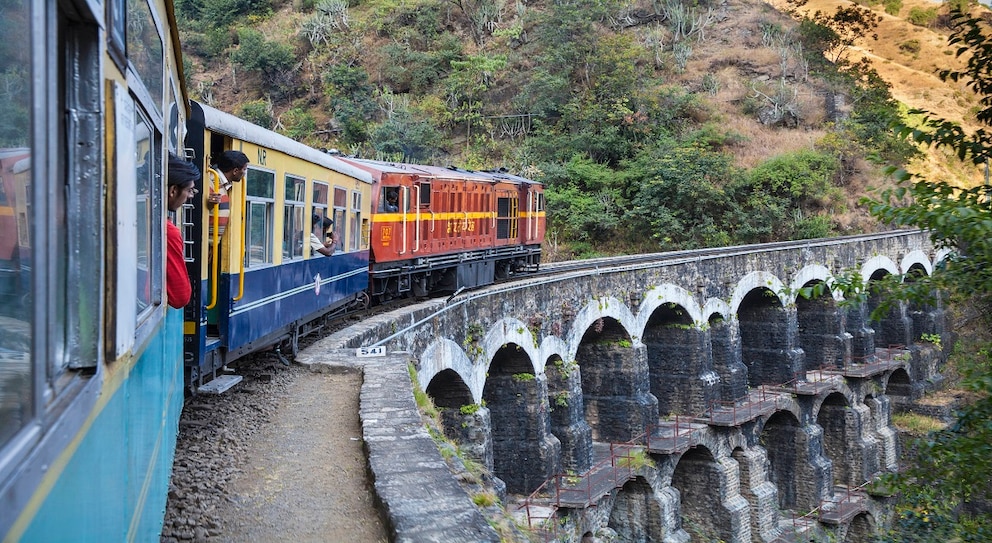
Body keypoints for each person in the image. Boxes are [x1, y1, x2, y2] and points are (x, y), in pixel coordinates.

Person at [166, 153, 200, 309]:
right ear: (173, 190)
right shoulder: (167, 232)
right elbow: (180, 297)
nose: (190, 196)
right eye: (190, 190)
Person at [206, 150, 250, 242]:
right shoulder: (211, 181)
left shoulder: (222, 184)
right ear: (235, 171)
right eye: (244, 169)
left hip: (211, 245)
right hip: (206, 243)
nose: (245, 173)